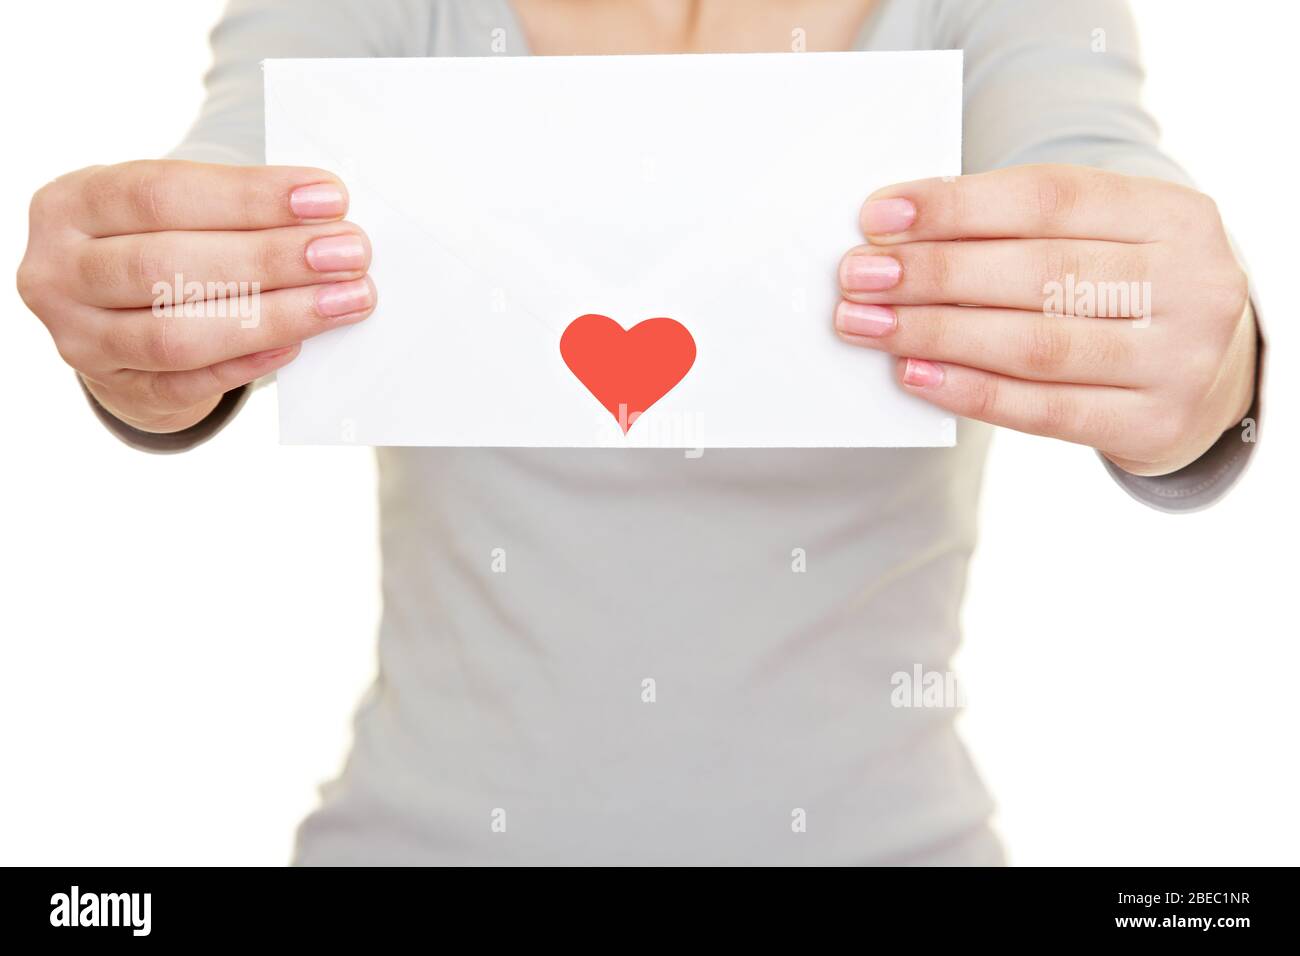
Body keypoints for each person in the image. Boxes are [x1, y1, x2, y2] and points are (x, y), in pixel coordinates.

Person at [16, 0, 1261, 865]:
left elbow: (1104, 180)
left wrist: (1209, 370)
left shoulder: (991, 18)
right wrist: (149, 315)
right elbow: (228, 178)